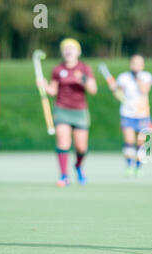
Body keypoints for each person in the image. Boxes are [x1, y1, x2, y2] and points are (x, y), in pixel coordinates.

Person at [37, 38, 97, 186]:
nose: (69, 51)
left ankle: (78, 166)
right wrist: (43, 85)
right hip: (61, 109)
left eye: (72, 48)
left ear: (78, 52)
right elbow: (52, 91)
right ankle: (64, 176)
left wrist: (82, 79)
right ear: (62, 52)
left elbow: (93, 90)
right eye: (66, 48)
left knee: (81, 147)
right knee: (63, 143)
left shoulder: (84, 68)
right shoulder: (58, 70)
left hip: (80, 111)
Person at [107, 54, 152, 177]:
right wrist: (114, 89)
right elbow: (119, 95)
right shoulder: (123, 77)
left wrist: (137, 78)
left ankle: (139, 167)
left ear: (143, 65)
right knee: (129, 140)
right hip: (127, 114)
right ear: (130, 64)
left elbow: (144, 91)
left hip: (143, 114)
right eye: (134, 63)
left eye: (139, 63)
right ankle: (129, 165)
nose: (136, 65)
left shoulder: (146, 76)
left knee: (140, 142)